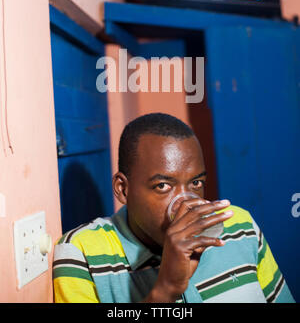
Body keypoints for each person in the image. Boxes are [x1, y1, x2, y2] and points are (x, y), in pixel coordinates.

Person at [53, 112, 295, 303]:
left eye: (196, 182)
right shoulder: (81, 253)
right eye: (163, 186)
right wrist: (165, 289)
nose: (186, 204)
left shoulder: (239, 226)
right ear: (123, 189)